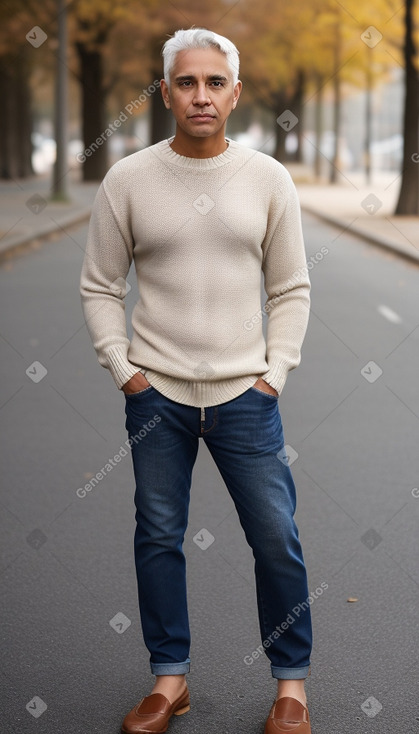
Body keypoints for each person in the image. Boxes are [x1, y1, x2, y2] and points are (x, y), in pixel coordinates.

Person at [80, 27, 312, 734]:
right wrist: (125, 373)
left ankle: (291, 687)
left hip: (247, 398)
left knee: (274, 535)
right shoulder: (128, 180)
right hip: (157, 398)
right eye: (187, 82)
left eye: (214, 82)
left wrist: (273, 375)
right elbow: (99, 286)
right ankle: (169, 679)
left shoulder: (268, 179)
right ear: (165, 91)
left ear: (234, 93)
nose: (201, 95)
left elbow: (292, 289)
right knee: (157, 534)